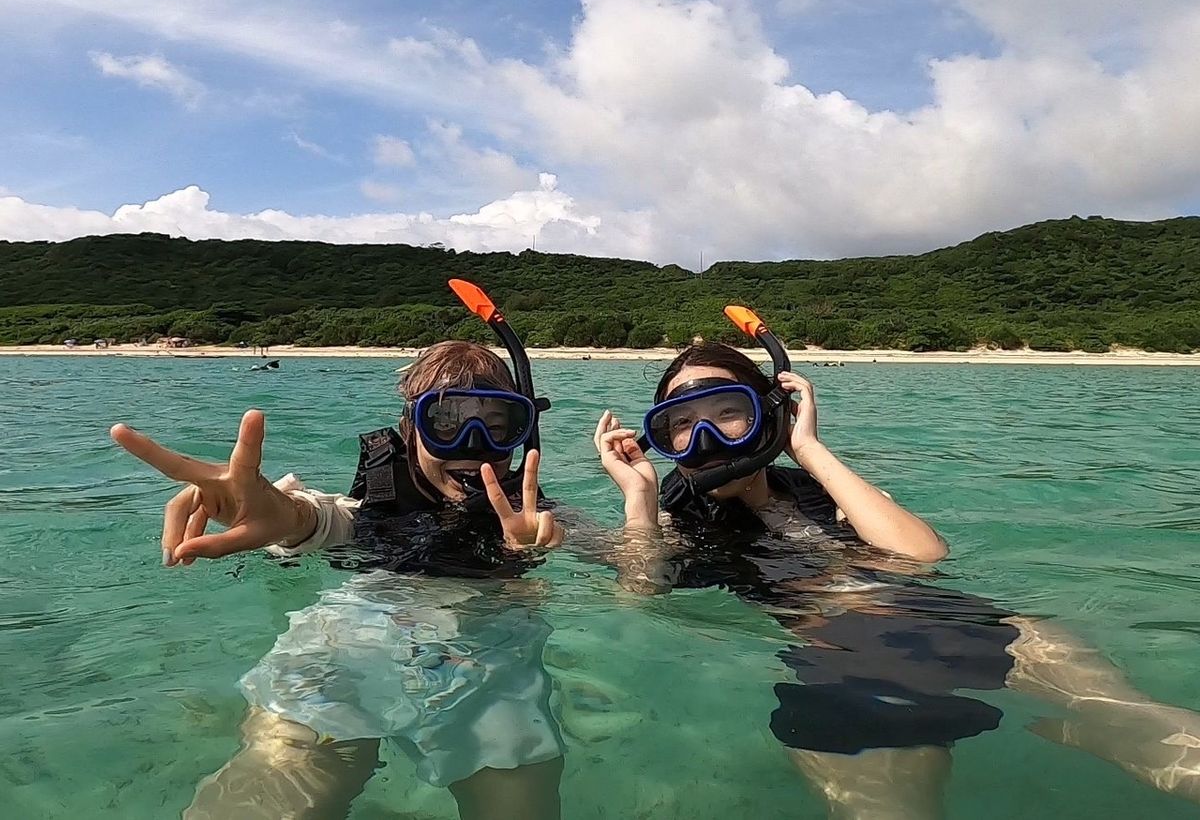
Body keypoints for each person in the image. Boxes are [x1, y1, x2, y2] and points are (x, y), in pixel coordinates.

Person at [595, 307, 1200, 818]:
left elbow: (919, 558)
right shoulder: (677, 514)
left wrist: (808, 448)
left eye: (727, 411)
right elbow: (639, 594)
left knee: (1152, 732)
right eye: (679, 423)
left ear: (767, 415)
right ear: (662, 440)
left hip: (960, 624)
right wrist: (639, 501)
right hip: (844, 670)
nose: (703, 436)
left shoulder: (823, 488)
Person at [112, 281, 567, 820]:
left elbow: (631, 570)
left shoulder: (544, 519)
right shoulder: (367, 509)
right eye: (446, 424)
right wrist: (278, 514)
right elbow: (316, 518)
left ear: (521, 432)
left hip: (489, 661)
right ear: (410, 430)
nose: (473, 445)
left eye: (497, 428)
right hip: (352, 643)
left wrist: (625, 514)